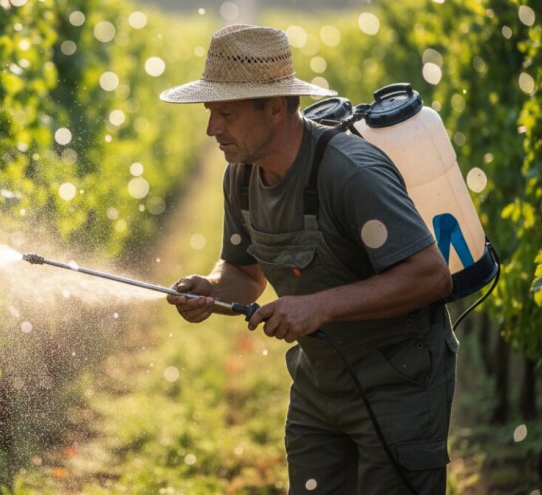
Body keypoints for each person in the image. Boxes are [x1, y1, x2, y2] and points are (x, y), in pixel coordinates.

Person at [160, 24, 458, 495]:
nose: (212, 128)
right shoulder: (241, 176)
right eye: (210, 112)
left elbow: (430, 276)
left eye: (227, 114)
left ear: (276, 108)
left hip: (399, 383)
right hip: (318, 385)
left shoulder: (350, 172)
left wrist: (316, 306)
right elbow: (242, 272)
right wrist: (213, 289)